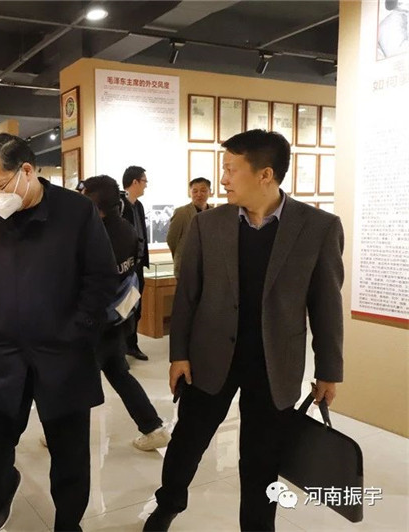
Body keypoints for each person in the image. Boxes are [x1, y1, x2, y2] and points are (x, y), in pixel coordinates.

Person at [144, 129, 344, 532]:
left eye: (231, 170)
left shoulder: (318, 227)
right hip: (210, 357)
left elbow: (326, 305)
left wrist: (329, 370)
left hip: (275, 364)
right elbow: (188, 296)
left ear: (265, 174)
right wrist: (178, 354)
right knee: (187, 444)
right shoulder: (208, 225)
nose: (223, 179)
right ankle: (168, 505)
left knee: (262, 459)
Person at [0, 134, 117, 532]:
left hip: (63, 353)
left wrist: (77, 330)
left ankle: (68, 524)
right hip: (7, 350)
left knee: (69, 452)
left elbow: (101, 276)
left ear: (27, 171)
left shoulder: (76, 210)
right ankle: (4, 490)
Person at [81, 175, 171, 451]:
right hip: (118, 318)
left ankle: (62, 435)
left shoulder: (93, 237)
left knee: (78, 382)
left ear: (94, 204)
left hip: (93, 322)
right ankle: (152, 427)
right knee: (119, 373)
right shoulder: (126, 229)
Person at [121, 166, 150, 361]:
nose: (146, 185)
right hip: (126, 266)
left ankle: (132, 344)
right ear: (135, 182)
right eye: (144, 181)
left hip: (138, 265)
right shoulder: (120, 205)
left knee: (136, 307)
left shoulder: (138, 205)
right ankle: (120, 348)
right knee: (123, 308)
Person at [166, 177, 212, 278]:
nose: (199, 194)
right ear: (190, 193)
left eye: (203, 190)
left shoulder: (214, 213)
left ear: (210, 192)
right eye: (195, 191)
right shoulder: (181, 213)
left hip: (208, 268)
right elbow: (172, 240)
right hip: (186, 267)